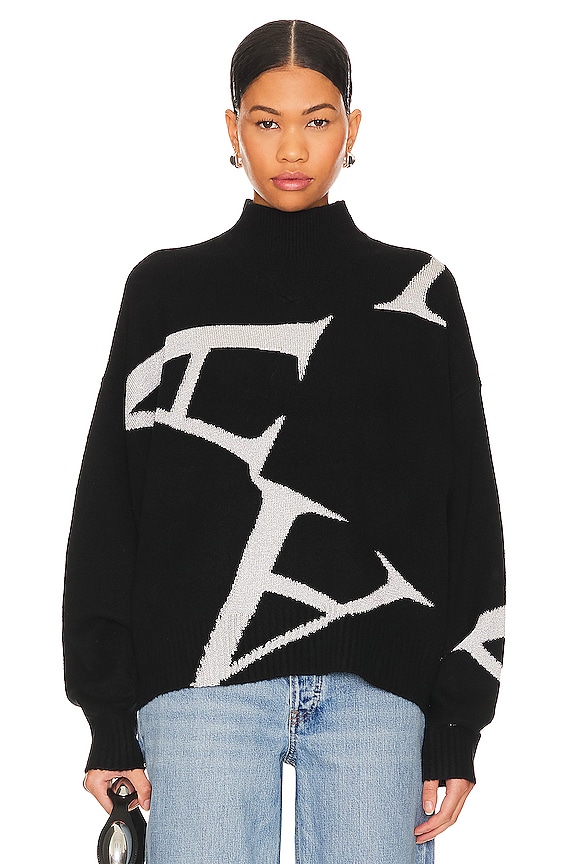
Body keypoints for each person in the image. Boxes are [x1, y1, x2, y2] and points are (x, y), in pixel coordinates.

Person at [63, 19, 505, 864]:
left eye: (318, 120)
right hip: (198, 693)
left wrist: (458, 721)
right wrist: (107, 717)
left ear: (352, 128)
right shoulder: (165, 289)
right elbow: (109, 505)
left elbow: (468, 510)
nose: (292, 147)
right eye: (266, 121)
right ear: (232, 129)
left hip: (379, 691)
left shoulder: (418, 291)